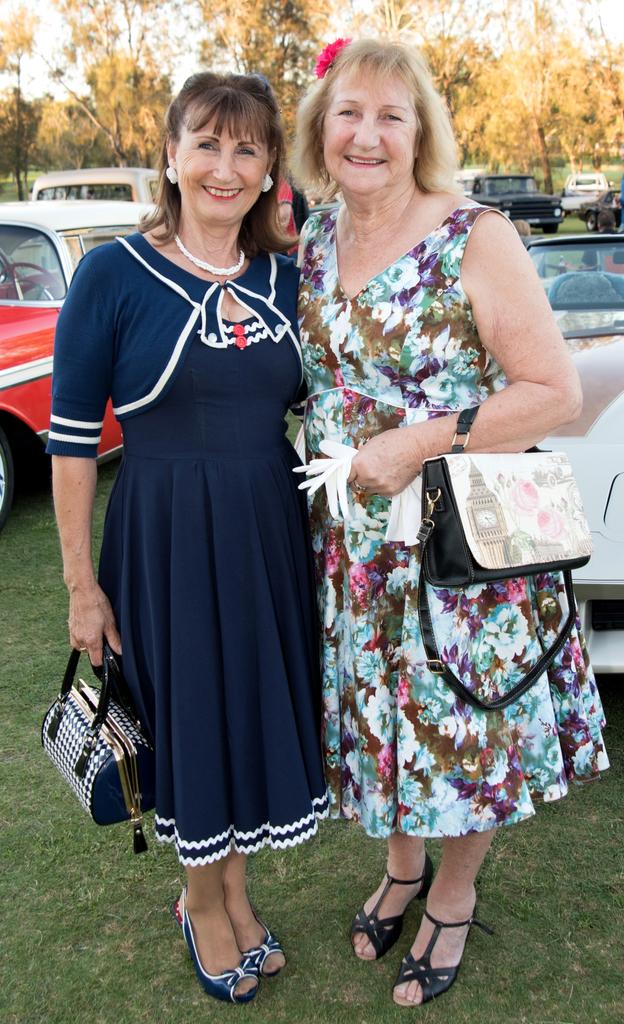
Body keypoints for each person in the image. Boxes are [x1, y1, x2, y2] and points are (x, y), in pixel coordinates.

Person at [293, 38, 609, 1008]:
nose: (368, 134)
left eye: (393, 115)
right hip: (352, 544)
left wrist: (417, 443)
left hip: (459, 540)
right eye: (349, 112)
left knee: (463, 723)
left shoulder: (477, 235)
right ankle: (401, 864)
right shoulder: (311, 238)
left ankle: (456, 889)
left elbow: (554, 391)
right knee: (381, 722)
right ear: (320, 129)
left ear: (421, 130)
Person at [47, 72, 328, 1004]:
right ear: (169, 156)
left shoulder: (288, 277)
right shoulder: (112, 274)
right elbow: (74, 443)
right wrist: (82, 587)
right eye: (206, 143)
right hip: (165, 540)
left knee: (247, 713)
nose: (224, 165)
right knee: (195, 720)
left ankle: (235, 891)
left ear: (269, 171)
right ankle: (202, 902)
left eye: (247, 148)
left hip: (267, 534)